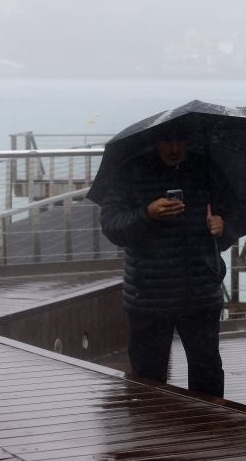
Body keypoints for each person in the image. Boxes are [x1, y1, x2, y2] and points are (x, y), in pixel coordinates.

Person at [99, 135, 233, 398]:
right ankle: (149, 422)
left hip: (201, 291)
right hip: (150, 294)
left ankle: (210, 421)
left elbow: (231, 215)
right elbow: (112, 226)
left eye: (180, 141)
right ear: (154, 141)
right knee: (148, 375)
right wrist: (147, 213)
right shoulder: (132, 171)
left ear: (189, 141)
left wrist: (224, 227)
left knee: (207, 370)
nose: (174, 148)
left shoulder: (207, 169)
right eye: (167, 142)